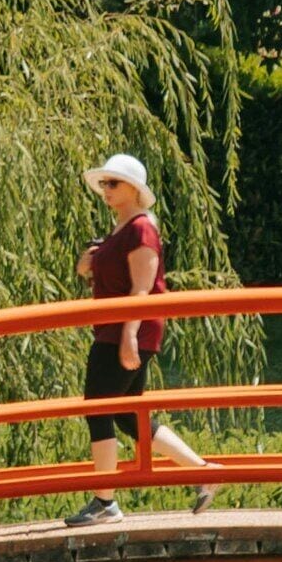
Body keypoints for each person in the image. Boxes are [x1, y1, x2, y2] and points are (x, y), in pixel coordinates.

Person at [63, 152, 221, 526]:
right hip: (116, 329)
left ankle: (105, 500)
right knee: (129, 416)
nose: (106, 189)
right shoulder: (120, 230)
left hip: (125, 331)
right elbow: (116, 282)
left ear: (134, 188)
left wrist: (129, 336)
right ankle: (204, 472)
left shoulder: (141, 229)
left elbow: (142, 288)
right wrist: (86, 268)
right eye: (103, 183)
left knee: (97, 407)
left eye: (113, 183)